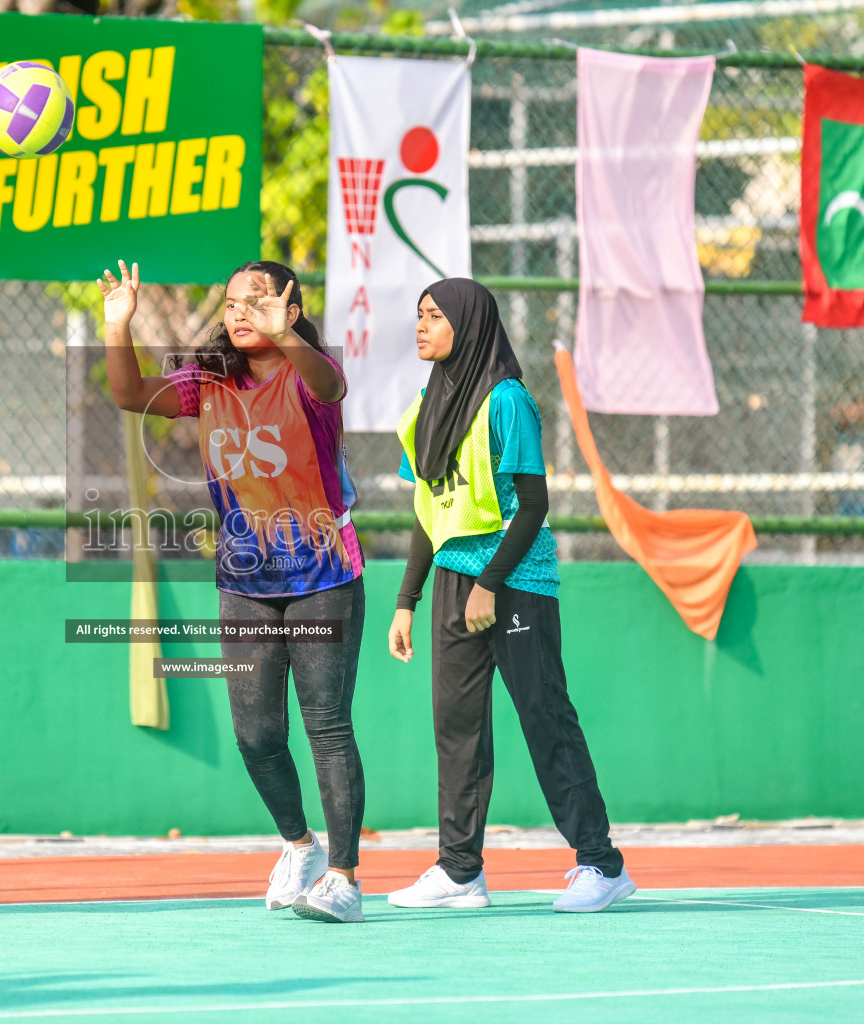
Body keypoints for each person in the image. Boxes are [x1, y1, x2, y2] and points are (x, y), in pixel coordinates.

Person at [102, 259, 368, 923]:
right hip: (246, 577)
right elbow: (131, 394)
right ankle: (298, 844)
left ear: (291, 306)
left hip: (323, 574)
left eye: (259, 300)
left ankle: (343, 877)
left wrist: (290, 336)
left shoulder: (309, 376)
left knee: (327, 726)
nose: (242, 311)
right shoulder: (209, 381)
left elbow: (330, 383)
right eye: (232, 303)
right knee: (255, 735)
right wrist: (117, 327)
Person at [384, 278, 635, 914]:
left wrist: (489, 584)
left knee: (543, 715)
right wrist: (406, 598)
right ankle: (460, 871)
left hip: (514, 579)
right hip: (452, 579)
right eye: (418, 316)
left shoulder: (508, 400)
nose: (421, 327)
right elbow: (429, 508)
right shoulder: (427, 403)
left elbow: (534, 504)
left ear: (467, 324)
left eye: (434, 317)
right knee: (456, 726)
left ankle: (601, 864)